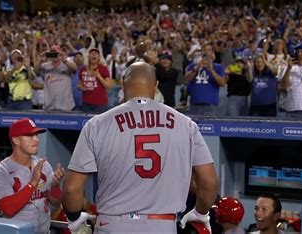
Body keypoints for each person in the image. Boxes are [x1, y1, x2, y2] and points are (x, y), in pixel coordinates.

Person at [62, 62, 218, 233]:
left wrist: (74, 218)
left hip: (112, 225)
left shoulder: (97, 124)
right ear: (156, 86)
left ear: (122, 85)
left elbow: (71, 189)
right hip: (162, 226)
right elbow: (209, 183)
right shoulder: (186, 124)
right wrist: (200, 213)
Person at [0, 118, 65, 234]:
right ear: (16, 140)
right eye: (30, 136)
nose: (37, 140)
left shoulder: (44, 165)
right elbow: (8, 209)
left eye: (36, 135)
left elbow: (56, 202)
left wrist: (55, 186)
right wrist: (33, 183)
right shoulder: (1, 171)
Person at [184, 43, 226, 116]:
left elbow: (222, 83)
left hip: (211, 105)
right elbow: (187, 79)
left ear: (212, 53)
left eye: (209, 50)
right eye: (204, 50)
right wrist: (196, 68)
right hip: (195, 104)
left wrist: (212, 70)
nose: (206, 52)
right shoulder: (192, 66)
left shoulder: (218, 67)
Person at [77, 48, 112, 113]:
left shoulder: (103, 69)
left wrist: (99, 76)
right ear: (88, 57)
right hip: (86, 103)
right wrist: (80, 87)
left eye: (96, 54)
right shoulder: (83, 69)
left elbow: (108, 86)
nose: (93, 55)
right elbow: (79, 84)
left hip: (100, 104)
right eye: (92, 53)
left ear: (99, 57)